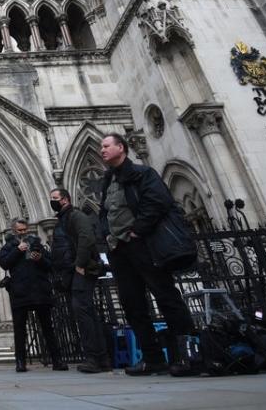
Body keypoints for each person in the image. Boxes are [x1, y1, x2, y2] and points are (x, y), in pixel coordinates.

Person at [97, 133, 196, 377]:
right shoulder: (108, 180)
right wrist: (107, 237)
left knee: (166, 298)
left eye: (107, 146)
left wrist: (137, 231)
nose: (102, 150)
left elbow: (158, 202)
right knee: (132, 305)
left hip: (143, 245)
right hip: (119, 250)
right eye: (101, 147)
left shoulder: (143, 173)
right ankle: (152, 359)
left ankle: (186, 356)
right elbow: (105, 212)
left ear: (121, 148)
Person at [51, 188, 111, 373]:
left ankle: (93, 358)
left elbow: (86, 238)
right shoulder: (63, 220)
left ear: (66, 199)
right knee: (86, 314)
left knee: (84, 314)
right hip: (72, 272)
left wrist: (80, 264)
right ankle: (101, 359)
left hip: (81, 271)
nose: (52, 201)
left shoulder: (76, 216)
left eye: (55, 198)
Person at [0, 217, 68, 373]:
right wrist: (17, 250)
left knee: (48, 327)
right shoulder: (9, 246)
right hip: (20, 292)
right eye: (19, 230)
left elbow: (50, 265)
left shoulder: (37, 244)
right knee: (20, 329)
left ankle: (57, 360)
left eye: (25, 229)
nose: (23, 233)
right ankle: (21, 362)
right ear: (14, 231)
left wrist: (40, 259)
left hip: (39, 291)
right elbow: (3, 263)